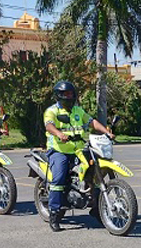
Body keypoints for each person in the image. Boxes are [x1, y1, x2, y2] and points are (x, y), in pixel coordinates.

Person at [44, 81, 113, 232]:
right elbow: (49, 125)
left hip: (79, 149)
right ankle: (54, 213)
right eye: (66, 94)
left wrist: (106, 132)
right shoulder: (52, 111)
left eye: (71, 94)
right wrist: (59, 133)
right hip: (59, 150)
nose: (69, 96)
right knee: (59, 179)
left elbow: (92, 122)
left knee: (94, 172)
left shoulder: (78, 110)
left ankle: (97, 208)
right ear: (59, 95)